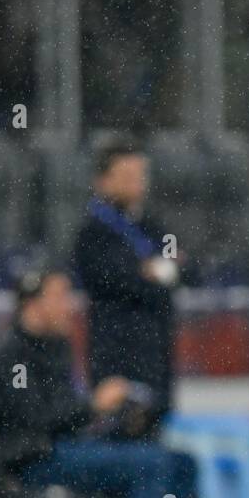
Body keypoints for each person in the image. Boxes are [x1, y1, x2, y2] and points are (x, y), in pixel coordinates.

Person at [0, 269, 191, 498]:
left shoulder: (57, 347)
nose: (69, 306)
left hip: (71, 449)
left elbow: (70, 416)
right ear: (33, 304)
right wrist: (94, 406)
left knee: (180, 461)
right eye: (61, 297)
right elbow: (35, 421)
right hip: (37, 458)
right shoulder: (12, 355)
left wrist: (118, 419)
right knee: (153, 464)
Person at [72, 142, 179, 426]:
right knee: (121, 439)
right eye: (126, 176)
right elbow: (119, 280)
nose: (136, 183)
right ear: (103, 180)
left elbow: (182, 270)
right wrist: (148, 275)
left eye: (140, 175)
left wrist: (153, 274)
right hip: (116, 355)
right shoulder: (93, 233)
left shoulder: (152, 226)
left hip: (156, 357)